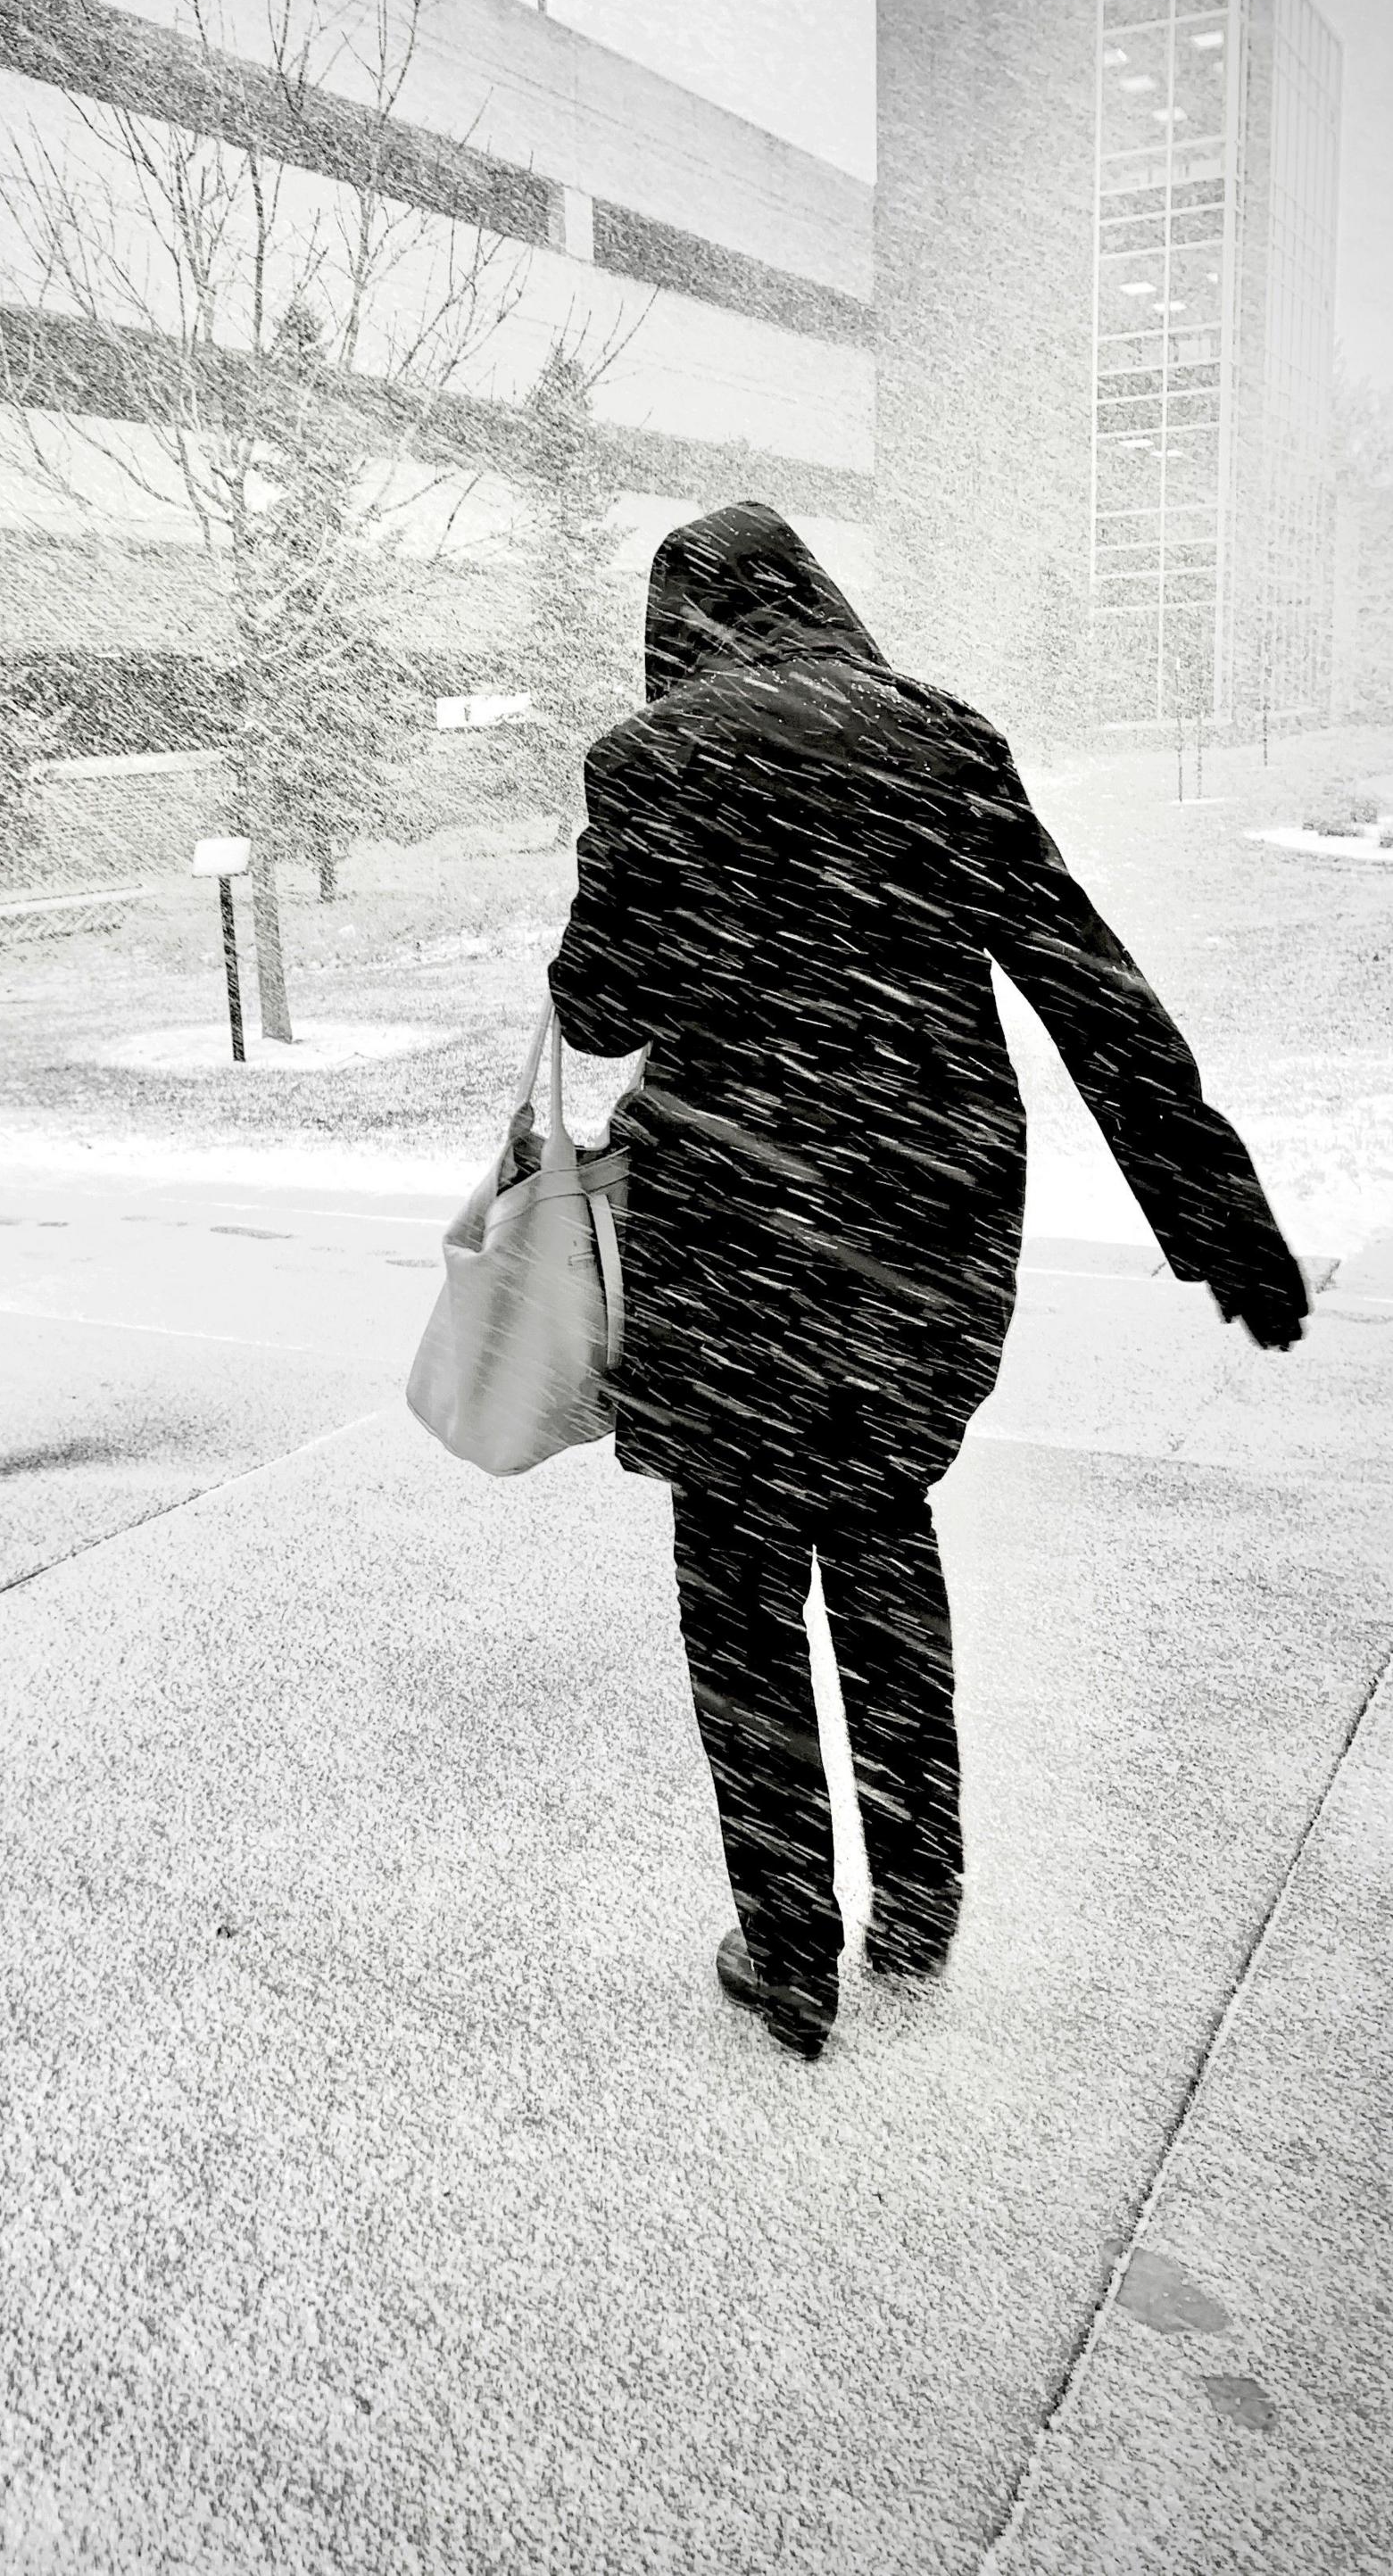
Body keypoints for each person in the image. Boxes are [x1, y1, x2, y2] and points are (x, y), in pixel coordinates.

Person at [546, 501, 1309, 2061]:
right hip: (922, 1208)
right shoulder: (941, 739)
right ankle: (918, 1897)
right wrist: (1215, 1207)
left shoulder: (654, 760)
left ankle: (790, 1949)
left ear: (679, 623)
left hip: (739, 1223)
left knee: (739, 1578)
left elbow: (603, 1008)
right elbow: (1085, 981)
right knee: (884, 1522)